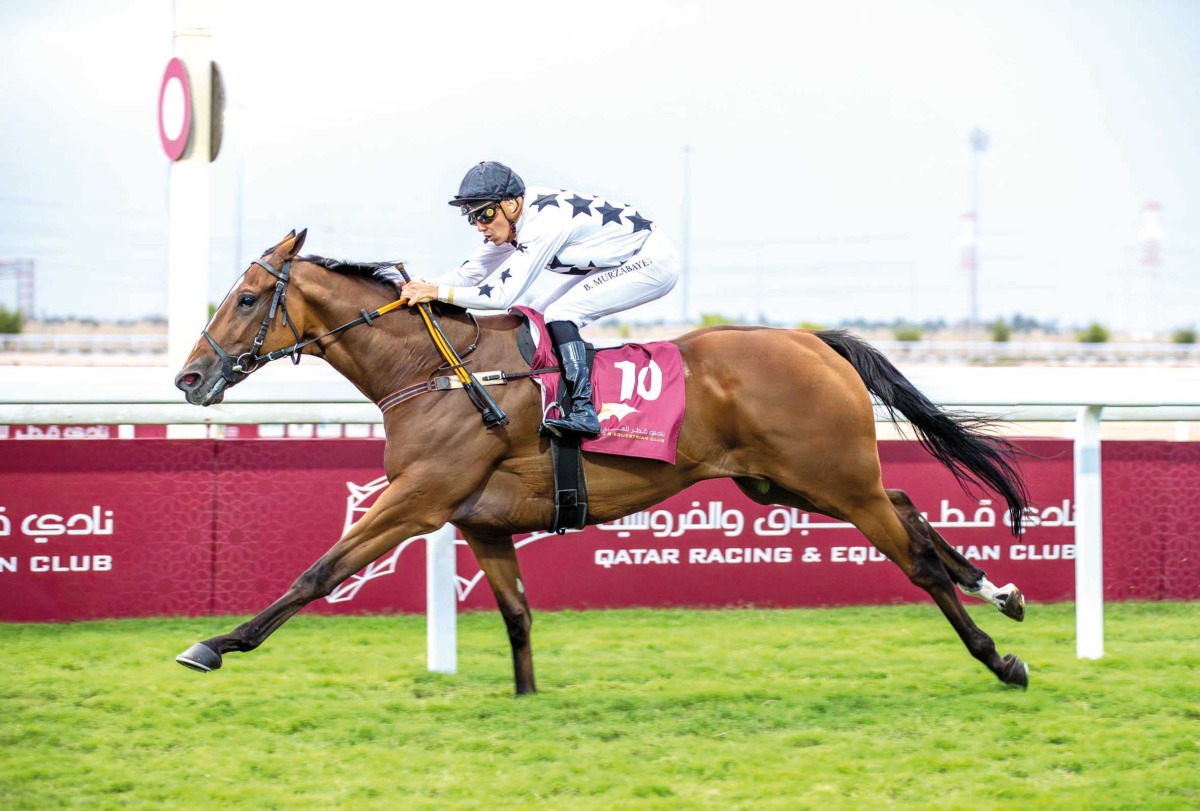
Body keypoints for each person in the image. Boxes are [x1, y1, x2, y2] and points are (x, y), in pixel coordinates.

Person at [400, 161, 680, 438]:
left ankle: (584, 410)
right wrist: (421, 285)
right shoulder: (513, 220)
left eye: (483, 214)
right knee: (532, 313)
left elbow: (500, 295)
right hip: (619, 259)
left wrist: (435, 293)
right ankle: (552, 397)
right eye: (472, 217)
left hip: (651, 261)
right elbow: (470, 274)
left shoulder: (542, 225)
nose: (479, 226)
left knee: (561, 313)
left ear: (510, 204)